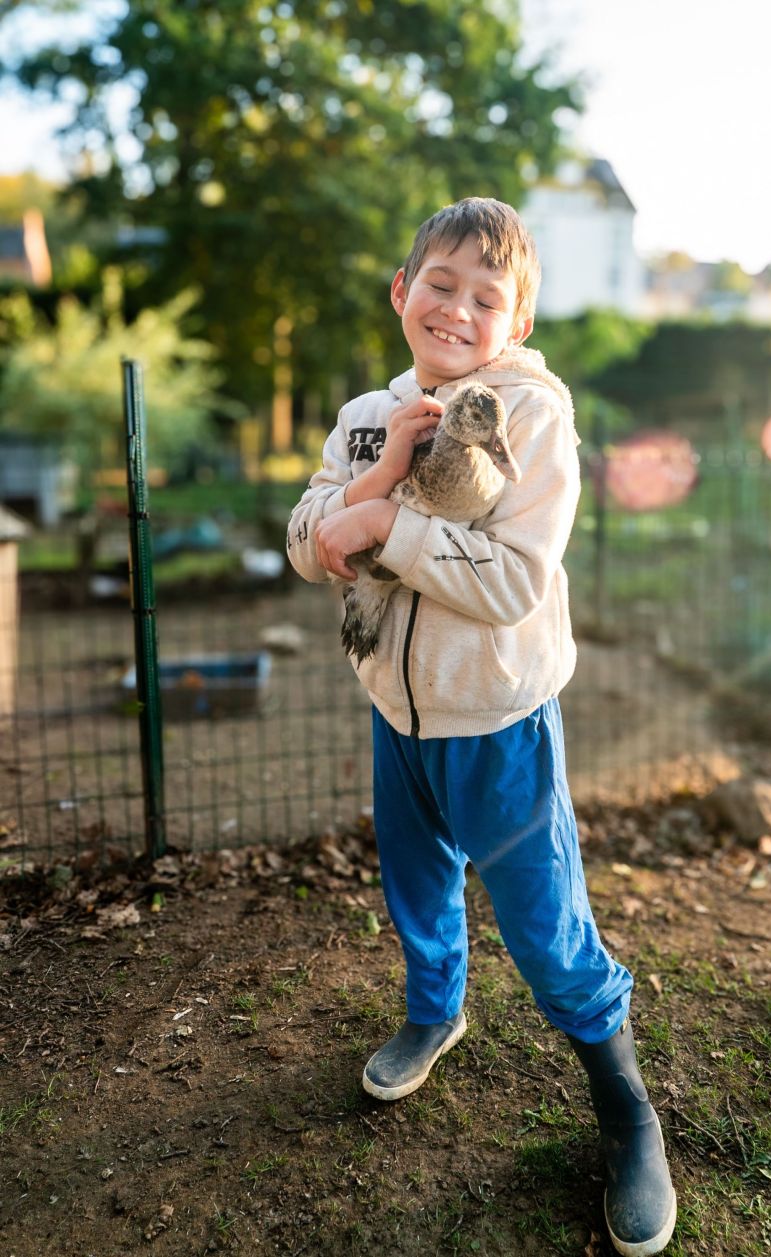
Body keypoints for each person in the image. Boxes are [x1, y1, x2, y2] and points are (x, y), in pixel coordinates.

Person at [287, 197, 676, 1256]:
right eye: (441, 284)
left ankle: (626, 1107)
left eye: (487, 298)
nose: (458, 310)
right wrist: (372, 485)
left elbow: (510, 584)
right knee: (416, 889)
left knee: (546, 930)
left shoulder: (530, 417)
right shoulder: (363, 413)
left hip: (499, 720)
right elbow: (306, 540)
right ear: (402, 292)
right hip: (397, 714)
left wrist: (383, 525)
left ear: (519, 323)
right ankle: (434, 1010)